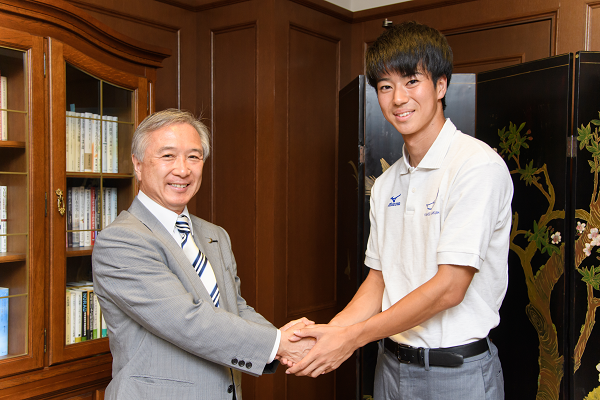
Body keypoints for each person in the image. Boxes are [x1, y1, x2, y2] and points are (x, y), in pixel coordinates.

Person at [287, 21, 513, 399]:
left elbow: (449, 289)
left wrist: (351, 338)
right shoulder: (388, 183)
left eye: (411, 81)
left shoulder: (475, 166)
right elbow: (379, 280)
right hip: (390, 368)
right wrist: (333, 332)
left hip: (457, 373)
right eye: (385, 86)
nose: (398, 99)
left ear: (440, 86)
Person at [92, 108, 314, 400]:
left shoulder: (215, 235)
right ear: (138, 164)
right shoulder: (121, 241)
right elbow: (187, 320)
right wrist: (278, 343)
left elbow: (235, 308)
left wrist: (292, 340)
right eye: (168, 156)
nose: (183, 169)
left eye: (194, 157)